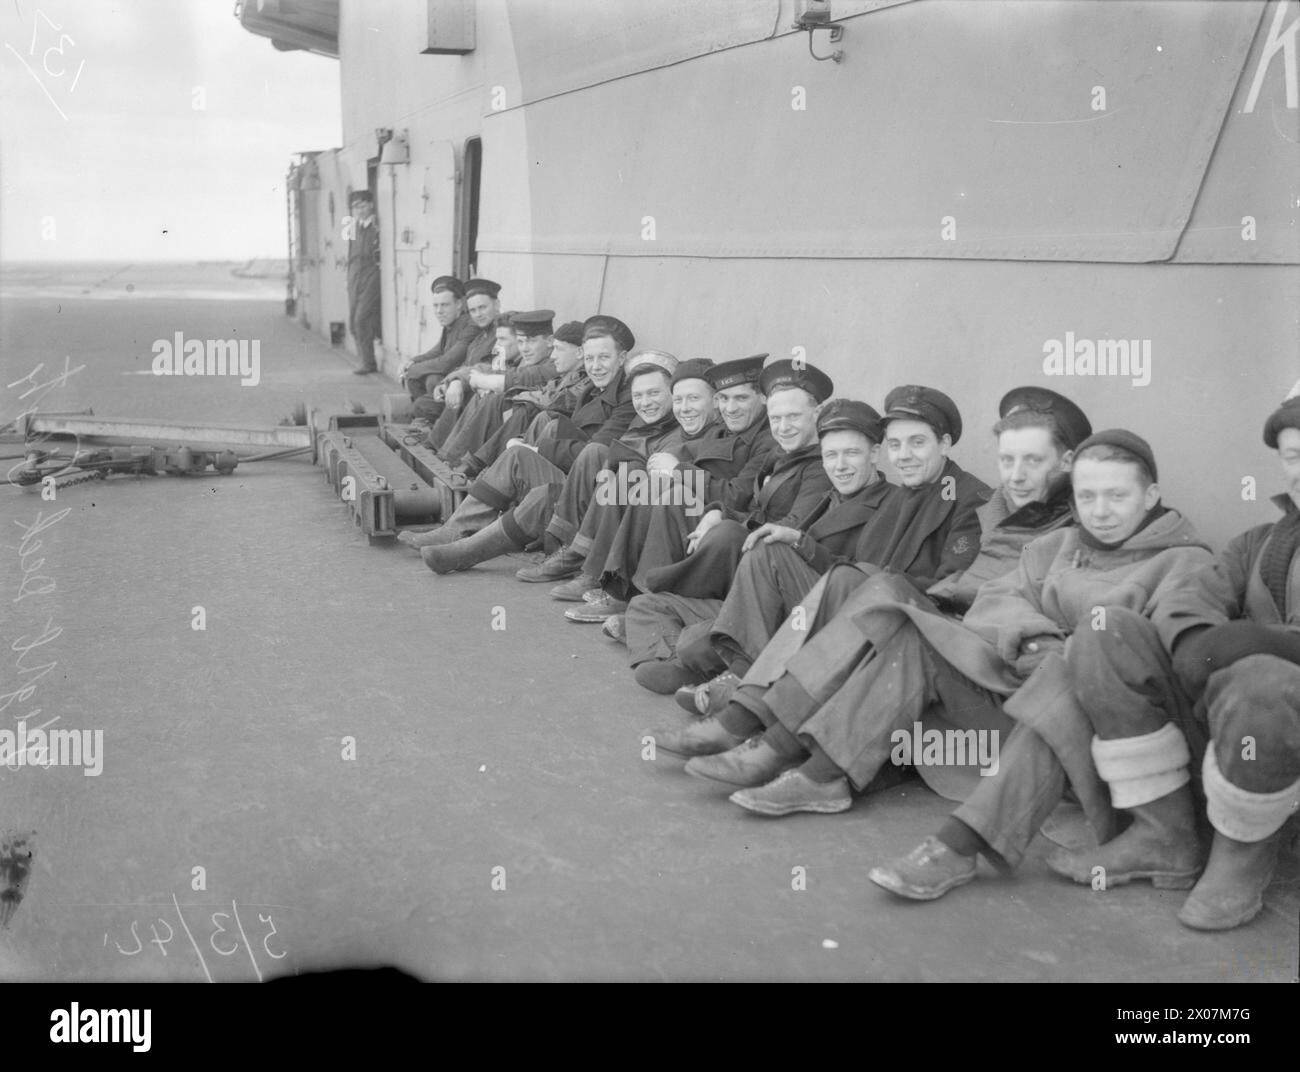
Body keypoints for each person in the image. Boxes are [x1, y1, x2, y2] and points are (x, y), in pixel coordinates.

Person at [866, 430, 1214, 898]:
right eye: (1086, 496)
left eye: (1117, 495)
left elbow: (1176, 662)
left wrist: (1080, 656)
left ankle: (959, 843)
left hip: (1142, 752)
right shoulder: (1061, 545)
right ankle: (823, 765)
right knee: (912, 625)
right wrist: (1039, 640)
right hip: (1044, 707)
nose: (1101, 510)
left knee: (1077, 667)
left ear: (1150, 495)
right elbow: (997, 599)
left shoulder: (1185, 562)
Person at [1035, 394, 1300, 930]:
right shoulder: (1257, 542)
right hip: (1238, 735)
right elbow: (1197, 598)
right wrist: (1195, 639)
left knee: (1261, 677)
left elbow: (1252, 653)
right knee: (1106, 629)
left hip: (1277, 724)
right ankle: (1163, 834)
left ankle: (1243, 853)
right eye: (1294, 455)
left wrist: (1260, 642)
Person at [418, 355, 687, 575]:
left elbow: (617, 469)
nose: (644, 401)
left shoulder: (672, 431)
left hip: (601, 518)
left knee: (545, 494)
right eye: (639, 394)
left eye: (654, 393)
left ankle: (464, 552)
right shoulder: (638, 417)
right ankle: (456, 529)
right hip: (588, 495)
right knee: (519, 455)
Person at [410, 278, 502, 426]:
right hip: (467, 387)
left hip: (481, 394)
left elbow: (492, 369)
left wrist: (457, 382)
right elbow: (465, 363)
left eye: (483, 307)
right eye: (473, 310)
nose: (478, 314)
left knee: (425, 405)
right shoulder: (480, 335)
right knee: (423, 403)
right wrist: (446, 383)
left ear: (497, 305)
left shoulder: (501, 335)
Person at [401, 276, 478, 402]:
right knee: (425, 377)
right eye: (435, 306)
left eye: (445, 305)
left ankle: (430, 416)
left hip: (467, 382)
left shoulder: (470, 325)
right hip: (455, 378)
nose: (439, 311)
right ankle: (426, 417)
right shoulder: (451, 324)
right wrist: (412, 361)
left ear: (459, 304)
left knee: (432, 379)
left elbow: (446, 363)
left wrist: (412, 370)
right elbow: (437, 351)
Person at [345, 190, 381, 375]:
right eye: (355, 207)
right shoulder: (352, 227)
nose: (359, 210)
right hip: (354, 276)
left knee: (361, 319)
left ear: (370, 205)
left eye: (362, 205)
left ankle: (369, 363)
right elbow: (350, 253)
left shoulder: (377, 226)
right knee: (353, 321)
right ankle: (364, 360)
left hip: (371, 275)